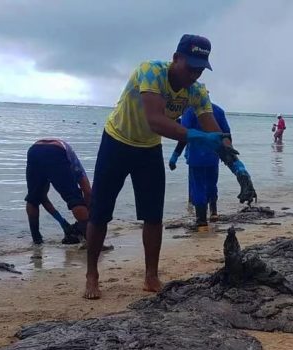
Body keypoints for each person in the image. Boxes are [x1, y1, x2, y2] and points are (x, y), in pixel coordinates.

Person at [85, 34, 254, 299]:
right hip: (116, 141)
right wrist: (196, 137)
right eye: (190, 67)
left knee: (153, 216)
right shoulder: (150, 71)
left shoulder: (196, 92)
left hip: (148, 149)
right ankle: (91, 274)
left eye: (200, 69)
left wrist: (241, 171)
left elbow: (217, 134)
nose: (194, 75)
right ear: (176, 58)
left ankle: (151, 276)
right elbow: (155, 120)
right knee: (100, 212)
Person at [170, 103, 232, 229]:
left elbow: (184, 135)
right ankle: (214, 212)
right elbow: (226, 134)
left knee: (198, 186)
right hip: (214, 154)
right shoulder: (218, 110)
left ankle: (201, 221)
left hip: (196, 156)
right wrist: (228, 155)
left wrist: (175, 155)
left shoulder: (189, 110)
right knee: (212, 184)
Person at [24, 138, 96, 245]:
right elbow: (88, 192)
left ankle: (37, 241)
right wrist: (89, 217)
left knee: (33, 199)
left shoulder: (44, 177)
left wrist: (62, 222)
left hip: (34, 150)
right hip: (56, 150)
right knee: (74, 198)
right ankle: (91, 242)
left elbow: (42, 199)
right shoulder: (75, 166)